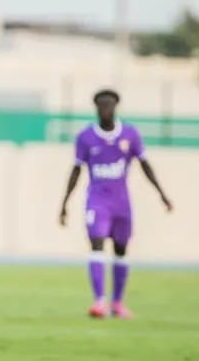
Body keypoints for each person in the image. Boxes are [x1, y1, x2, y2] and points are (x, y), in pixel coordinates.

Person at [59, 89, 173, 319]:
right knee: (97, 245)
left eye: (109, 105)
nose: (105, 109)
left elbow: (145, 164)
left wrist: (161, 193)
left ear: (115, 107)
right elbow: (75, 170)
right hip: (97, 201)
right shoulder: (85, 137)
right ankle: (99, 301)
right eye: (101, 105)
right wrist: (64, 203)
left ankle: (118, 303)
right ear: (96, 108)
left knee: (121, 250)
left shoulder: (130, 134)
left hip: (121, 203)